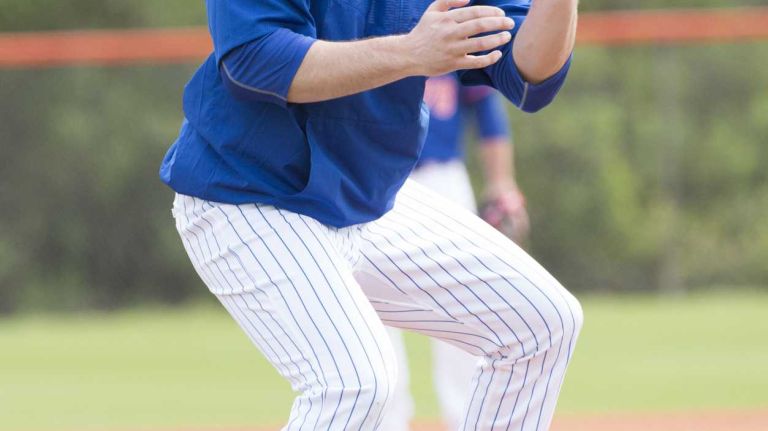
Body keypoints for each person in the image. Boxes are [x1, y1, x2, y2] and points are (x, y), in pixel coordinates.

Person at [159, 0, 583, 429]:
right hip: (249, 195)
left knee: (543, 321)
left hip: (367, 198)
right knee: (354, 383)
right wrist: (412, 52)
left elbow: (527, 73)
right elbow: (256, 56)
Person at [382, 76, 530, 431]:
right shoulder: (357, 23)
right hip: (375, 180)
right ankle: (382, 423)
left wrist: (501, 182)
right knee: (373, 317)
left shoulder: (455, 20)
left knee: (465, 312)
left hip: (442, 179)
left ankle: (470, 421)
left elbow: (485, 106)